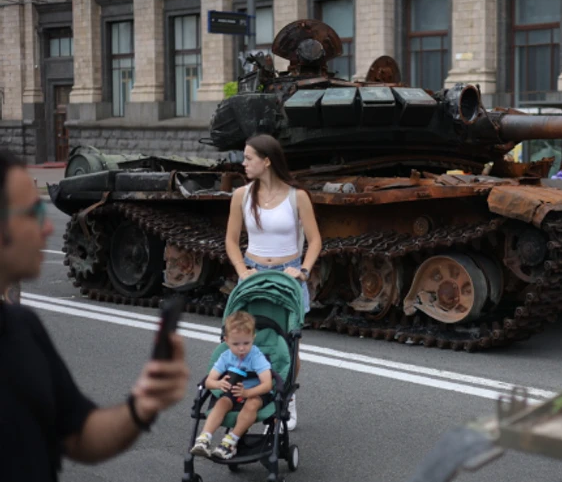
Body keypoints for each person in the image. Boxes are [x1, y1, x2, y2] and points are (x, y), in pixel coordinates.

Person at [0, 150, 190, 482]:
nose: (47, 227)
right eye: (33, 213)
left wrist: (142, 404)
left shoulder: (22, 327)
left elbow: (80, 435)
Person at [225, 134, 322, 431]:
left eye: (249, 158)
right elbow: (230, 240)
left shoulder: (297, 196)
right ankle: (255, 399)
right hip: (254, 274)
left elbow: (316, 240)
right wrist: (242, 270)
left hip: (288, 275)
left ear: (267, 161)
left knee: (288, 345)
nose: (243, 163)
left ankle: (286, 399)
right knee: (252, 341)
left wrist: (303, 271)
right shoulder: (241, 195)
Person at [191, 311, 273, 460]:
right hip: (233, 391)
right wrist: (218, 383)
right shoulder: (225, 356)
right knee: (221, 402)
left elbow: (267, 384)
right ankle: (204, 438)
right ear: (226, 341)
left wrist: (247, 393)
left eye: (246, 343)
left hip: (255, 392)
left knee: (252, 404)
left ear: (253, 339)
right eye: (236, 344)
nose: (241, 349)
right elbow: (209, 381)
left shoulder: (256, 356)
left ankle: (231, 441)